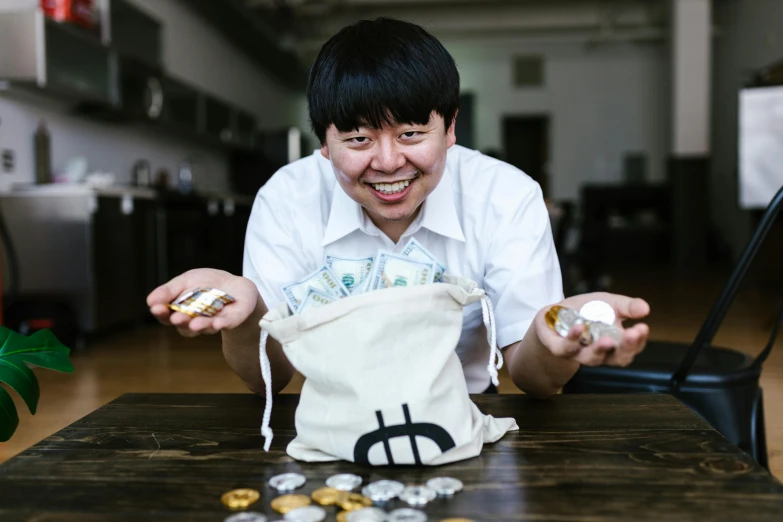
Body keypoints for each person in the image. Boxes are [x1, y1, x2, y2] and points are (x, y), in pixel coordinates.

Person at [146, 18, 650, 397]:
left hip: (469, 411)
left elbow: (534, 379)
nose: (389, 163)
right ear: (324, 142)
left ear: (451, 128)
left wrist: (552, 337)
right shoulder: (285, 199)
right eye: (358, 139)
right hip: (329, 416)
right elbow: (270, 381)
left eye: (411, 133)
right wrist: (247, 314)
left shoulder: (506, 196)